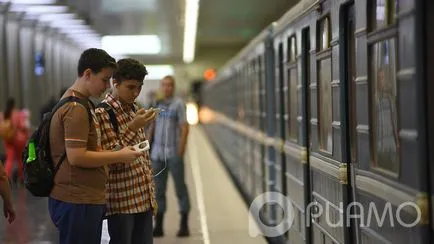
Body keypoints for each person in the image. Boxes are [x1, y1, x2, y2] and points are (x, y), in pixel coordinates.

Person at [48, 48, 143, 244]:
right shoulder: (76, 109)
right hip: (76, 200)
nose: (108, 86)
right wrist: (119, 156)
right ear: (88, 74)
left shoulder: (82, 103)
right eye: (104, 79)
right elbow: (77, 156)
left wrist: (115, 151)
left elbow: (87, 150)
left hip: (84, 200)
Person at [95, 58, 157, 244]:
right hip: (122, 203)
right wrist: (132, 128)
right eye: (130, 87)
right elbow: (110, 157)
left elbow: (142, 156)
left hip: (142, 199)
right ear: (115, 83)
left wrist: (151, 197)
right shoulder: (103, 113)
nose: (136, 93)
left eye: (139, 87)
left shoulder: (133, 110)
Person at [150, 75, 190, 237]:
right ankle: (159, 225)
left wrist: (180, 151)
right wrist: (147, 146)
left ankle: (184, 223)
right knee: (158, 190)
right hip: (157, 154)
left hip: (173, 153)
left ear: (173, 87)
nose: (166, 88)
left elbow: (184, 127)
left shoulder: (179, 105)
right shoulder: (157, 104)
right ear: (161, 87)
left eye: (169, 85)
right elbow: (152, 126)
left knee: (180, 188)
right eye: (164, 85)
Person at [1, 98, 29, 183]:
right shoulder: (18, 114)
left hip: (8, 139)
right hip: (18, 139)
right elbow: (23, 126)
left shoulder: (3, 114)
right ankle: (22, 177)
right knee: (20, 159)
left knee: (9, 159)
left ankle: (5, 178)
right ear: (14, 104)